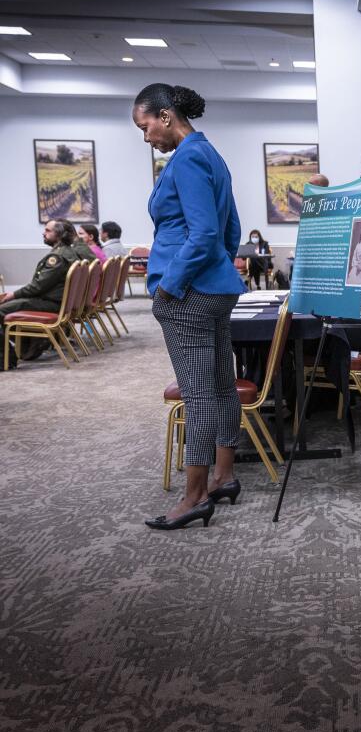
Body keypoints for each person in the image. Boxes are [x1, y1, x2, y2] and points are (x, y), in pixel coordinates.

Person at [134, 82, 245, 530]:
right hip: (214, 288)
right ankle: (224, 476)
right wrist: (218, 267)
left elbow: (202, 235)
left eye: (145, 127)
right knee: (220, 386)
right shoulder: (211, 154)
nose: (146, 138)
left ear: (165, 116)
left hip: (188, 294)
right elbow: (229, 229)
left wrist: (168, 287)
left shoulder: (187, 159)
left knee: (199, 396)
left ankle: (196, 495)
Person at [0, 221, 74, 369]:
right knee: (11, 304)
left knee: (2, 309)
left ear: (58, 235)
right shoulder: (68, 252)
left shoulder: (57, 257)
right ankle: (30, 344)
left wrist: (13, 294)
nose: (43, 233)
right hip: (56, 301)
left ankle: (6, 359)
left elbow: (38, 287)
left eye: (47, 230)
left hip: (50, 303)